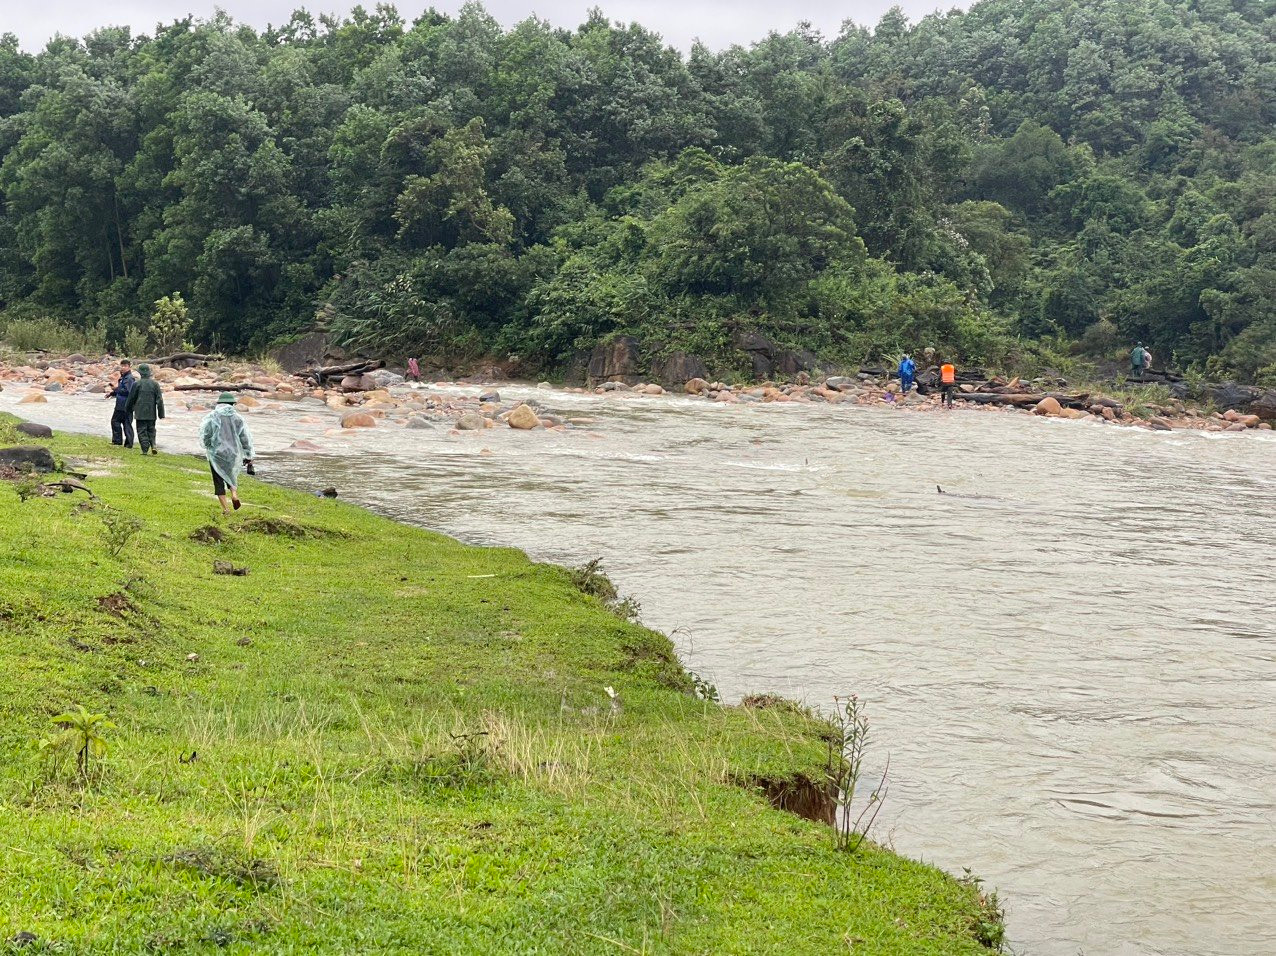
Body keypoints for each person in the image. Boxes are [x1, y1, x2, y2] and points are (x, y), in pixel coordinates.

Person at [200, 392, 255, 515]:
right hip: (233, 453)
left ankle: (226, 509)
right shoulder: (238, 418)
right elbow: (245, 437)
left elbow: (206, 434)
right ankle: (234, 495)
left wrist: (208, 445)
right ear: (232, 404)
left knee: (218, 481)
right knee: (231, 476)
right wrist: (248, 454)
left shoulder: (213, 416)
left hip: (216, 453)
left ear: (219, 403)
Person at [124, 363, 165, 454]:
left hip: (140, 412)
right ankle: (153, 444)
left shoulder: (136, 384)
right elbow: (160, 400)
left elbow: (131, 398)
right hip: (151, 412)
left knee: (141, 430)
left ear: (140, 373)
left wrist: (127, 409)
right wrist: (161, 414)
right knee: (151, 429)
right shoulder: (155, 384)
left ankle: (145, 449)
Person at [104, 360, 136, 448]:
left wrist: (115, 389)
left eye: (125, 366)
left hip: (126, 404)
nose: (123, 368)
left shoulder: (129, 378)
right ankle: (120, 442)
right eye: (122, 366)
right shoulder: (123, 377)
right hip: (121, 404)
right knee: (118, 422)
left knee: (123, 423)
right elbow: (120, 389)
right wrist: (112, 393)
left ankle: (126, 443)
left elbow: (127, 391)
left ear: (129, 367)